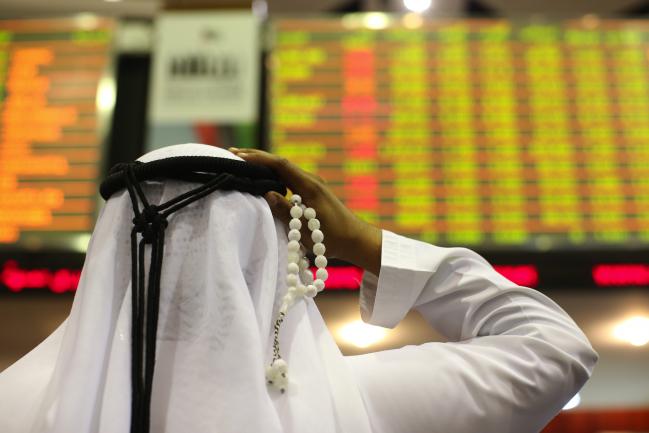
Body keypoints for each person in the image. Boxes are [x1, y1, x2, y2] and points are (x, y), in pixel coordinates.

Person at [0, 143, 597, 433]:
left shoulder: (12, 405)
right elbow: (553, 347)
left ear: (109, 250)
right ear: (266, 251)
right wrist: (363, 241)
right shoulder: (358, 404)